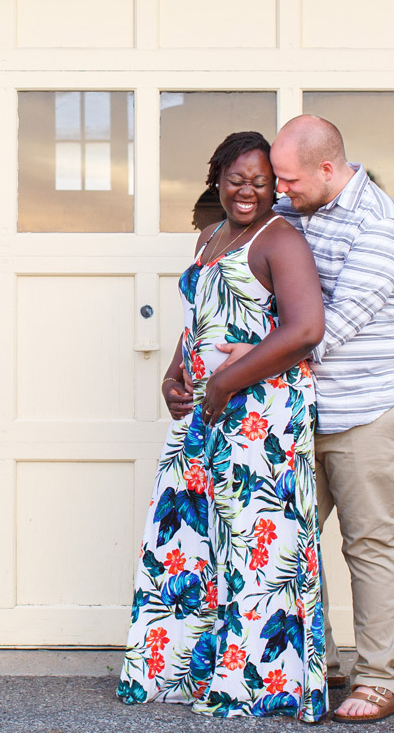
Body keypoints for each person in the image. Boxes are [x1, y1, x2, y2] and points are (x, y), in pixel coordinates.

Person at [169, 115, 394, 724]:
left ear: (327, 169)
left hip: (367, 409)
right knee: (292, 540)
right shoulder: (302, 209)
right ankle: (319, 662)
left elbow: (322, 329)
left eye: (286, 178)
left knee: (369, 543)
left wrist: (235, 366)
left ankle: (380, 679)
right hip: (293, 411)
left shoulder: (378, 227)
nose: (277, 190)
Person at [118, 131, 331, 723]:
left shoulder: (280, 239)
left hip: (260, 415)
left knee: (255, 548)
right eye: (238, 179)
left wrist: (224, 383)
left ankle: (260, 685)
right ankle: (188, 671)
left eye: (262, 182)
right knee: (191, 543)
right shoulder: (210, 236)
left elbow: (305, 328)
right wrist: (173, 375)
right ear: (217, 178)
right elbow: (199, 321)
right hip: (204, 413)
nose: (249, 191)